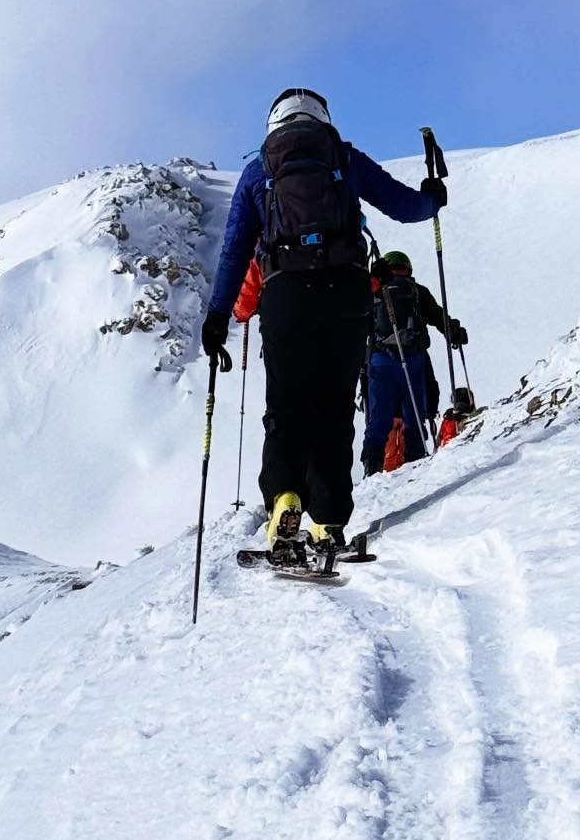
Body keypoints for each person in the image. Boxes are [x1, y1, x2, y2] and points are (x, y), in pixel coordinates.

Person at [201, 87, 446, 559]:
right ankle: (328, 519)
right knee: (334, 409)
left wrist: (217, 317)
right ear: (321, 119)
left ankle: (284, 501)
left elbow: (235, 251)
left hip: (286, 298)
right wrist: (432, 198)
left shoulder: (258, 172)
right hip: (347, 296)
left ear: (274, 125)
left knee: (286, 409)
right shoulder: (344, 159)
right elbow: (405, 206)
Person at [362, 249, 469, 475]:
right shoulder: (417, 292)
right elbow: (438, 317)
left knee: (378, 421)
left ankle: (372, 468)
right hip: (414, 361)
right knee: (414, 417)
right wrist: (454, 332)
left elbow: (357, 326)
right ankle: (417, 466)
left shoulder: (375, 291)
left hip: (380, 362)